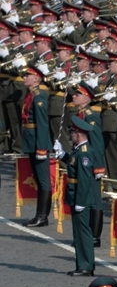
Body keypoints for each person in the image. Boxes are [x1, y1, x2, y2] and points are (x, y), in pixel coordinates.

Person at [65, 115, 100, 277]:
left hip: (81, 198)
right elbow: (73, 163)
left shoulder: (85, 153)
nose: (70, 135)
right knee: (78, 232)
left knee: (83, 232)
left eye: (72, 133)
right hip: (76, 195)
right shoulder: (79, 150)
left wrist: (80, 201)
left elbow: (84, 180)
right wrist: (62, 156)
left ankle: (86, 265)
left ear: (78, 134)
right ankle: (82, 264)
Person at [23, 65, 53, 228]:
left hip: (37, 142)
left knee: (43, 180)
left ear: (36, 79)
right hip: (31, 140)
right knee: (38, 179)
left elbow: (42, 124)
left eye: (28, 76)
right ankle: (39, 215)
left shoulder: (39, 97)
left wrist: (42, 148)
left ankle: (42, 216)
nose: (24, 78)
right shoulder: (31, 94)